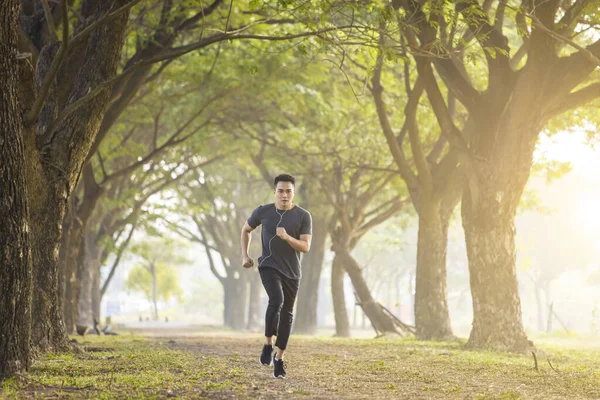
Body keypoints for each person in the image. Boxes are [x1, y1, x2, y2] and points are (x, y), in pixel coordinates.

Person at [240, 174, 312, 379]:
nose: (284, 195)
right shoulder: (263, 212)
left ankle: (279, 358)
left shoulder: (303, 216)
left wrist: (287, 237)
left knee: (288, 314)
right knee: (276, 299)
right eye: (280, 191)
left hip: (292, 272)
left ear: (293, 193)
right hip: (268, 266)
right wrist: (245, 255)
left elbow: (306, 247)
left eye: (288, 191)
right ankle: (267, 344)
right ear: (275, 192)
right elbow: (245, 230)